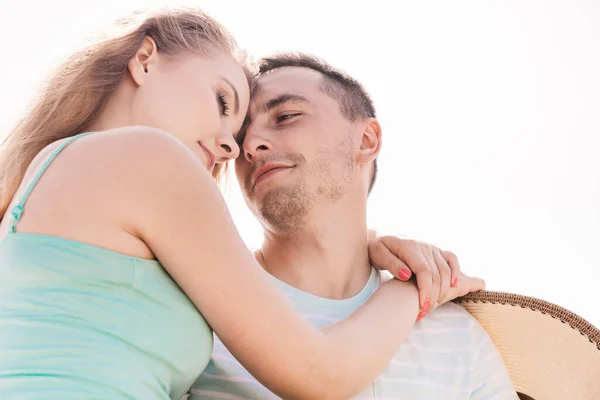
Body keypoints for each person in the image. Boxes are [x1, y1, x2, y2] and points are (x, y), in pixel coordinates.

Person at [0, 8, 485, 400]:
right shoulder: (147, 158)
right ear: (145, 60)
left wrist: (373, 246)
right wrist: (413, 286)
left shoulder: (47, 178)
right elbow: (320, 375)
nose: (236, 148)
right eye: (223, 101)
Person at [188, 53, 515, 399]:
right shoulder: (194, 316)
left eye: (285, 117)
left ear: (366, 140)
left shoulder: (459, 340)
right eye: (239, 138)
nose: (251, 146)